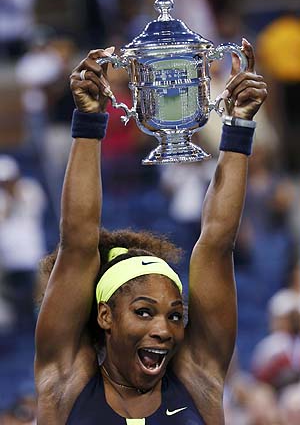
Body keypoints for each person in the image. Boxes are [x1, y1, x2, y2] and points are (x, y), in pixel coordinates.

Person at [34, 39, 267, 424]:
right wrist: (90, 120)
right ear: (106, 316)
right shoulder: (65, 383)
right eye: (144, 312)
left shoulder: (199, 380)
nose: (164, 329)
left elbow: (217, 242)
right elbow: (77, 244)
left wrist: (239, 124)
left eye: (175, 316)